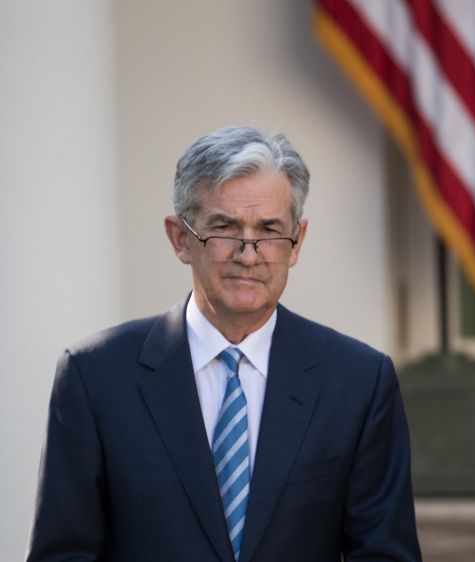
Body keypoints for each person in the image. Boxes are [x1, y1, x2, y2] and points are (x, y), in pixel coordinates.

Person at [27, 126, 422, 561]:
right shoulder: (94, 377)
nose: (248, 254)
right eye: (224, 228)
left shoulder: (359, 382)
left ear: (296, 242)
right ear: (180, 238)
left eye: (269, 230)